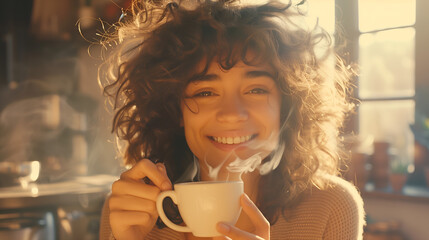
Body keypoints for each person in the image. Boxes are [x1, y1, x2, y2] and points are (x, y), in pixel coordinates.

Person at [98, 0, 366, 239]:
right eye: (205, 92)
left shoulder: (331, 207)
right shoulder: (128, 210)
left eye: (256, 90)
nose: (232, 113)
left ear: (286, 106)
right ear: (175, 110)